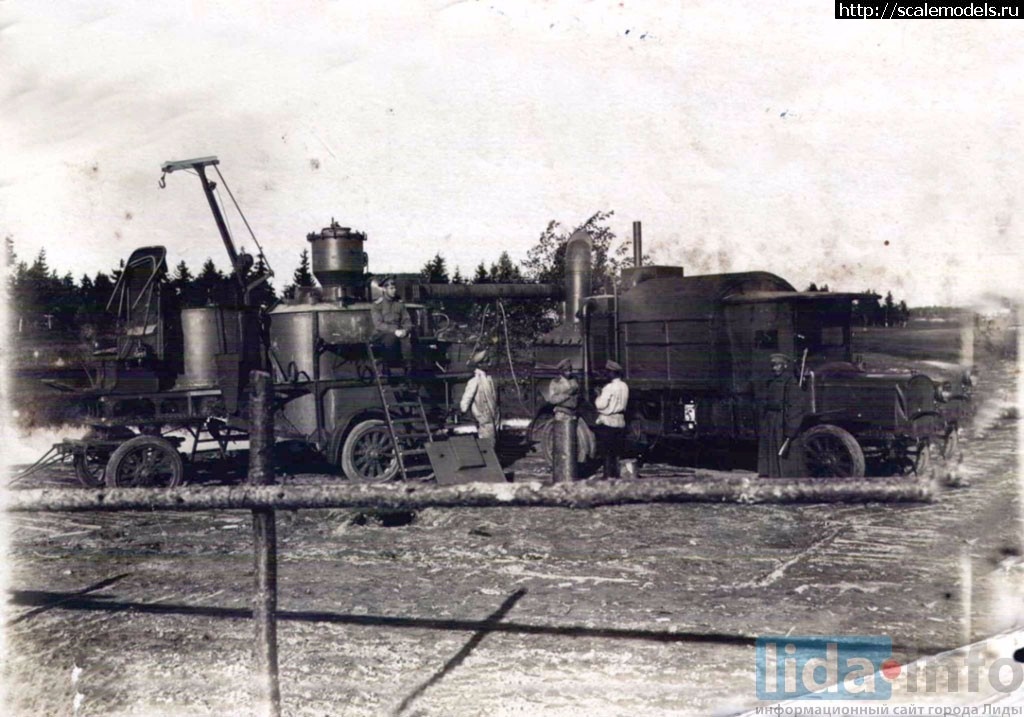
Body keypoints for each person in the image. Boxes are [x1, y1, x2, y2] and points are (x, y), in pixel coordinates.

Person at [758, 353, 804, 477]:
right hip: (771, 421)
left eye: (778, 365)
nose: (774, 368)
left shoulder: (790, 382)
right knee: (771, 451)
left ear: (784, 366)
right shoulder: (771, 381)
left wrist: (791, 429)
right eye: (773, 365)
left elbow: (795, 406)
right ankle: (771, 475)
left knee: (784, 455)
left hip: (782, 422)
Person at [370, 276, 413, 371]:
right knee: (391, 338)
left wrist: (405, 330)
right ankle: (387, 367)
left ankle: (408, 369)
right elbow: (378, 324)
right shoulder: (377, 305)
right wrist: (395, 331)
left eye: (395, 288)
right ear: (384, 289)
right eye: (391, 288)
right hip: (381, 334)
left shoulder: (399, 304)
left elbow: (406, 320)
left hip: (398, 332)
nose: (394, 290)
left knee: (407, 339)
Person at [594, 360, 629, 479]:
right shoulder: (624, 386)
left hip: (608, 422)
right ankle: (616, 475)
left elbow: (601, 405)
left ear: (613, 373)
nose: (607, 375)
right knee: (616, 451)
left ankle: (607, 476)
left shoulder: (609, 387)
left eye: (608, 372)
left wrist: (599, 395)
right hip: (620, 420)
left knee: (607, 451)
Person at [460, 349, 500, 445]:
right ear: (480, 364)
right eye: (486, 361)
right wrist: (464, 409)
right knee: (486, 441)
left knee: (493, 438)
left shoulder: (489, 378)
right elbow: (467, 397)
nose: (489, 364)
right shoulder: (475, 380)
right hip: (483, 415)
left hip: (492, 414)